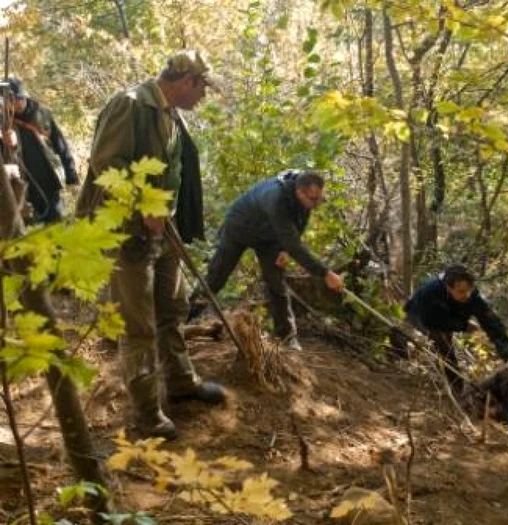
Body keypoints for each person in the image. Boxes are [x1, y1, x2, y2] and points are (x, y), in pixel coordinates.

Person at [76, 50, 225, 441]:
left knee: (172, 308)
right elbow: (106, 164)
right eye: (202, 87)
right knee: (138, 323)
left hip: (162, 230)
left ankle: (180, 382)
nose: (203, 96)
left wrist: (166, 212)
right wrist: (144, 203)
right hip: (127, 232)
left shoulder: (170, 115)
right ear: (185, 80)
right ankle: (146, 411)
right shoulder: (130, 105)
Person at [188, 169, 344, 351]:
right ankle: (182, 317)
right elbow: (294, 243)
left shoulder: (306, 196)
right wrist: (325, 273)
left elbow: (298, 224)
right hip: (239, 228)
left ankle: (287, 338)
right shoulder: (276, 198)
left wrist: (284, 249)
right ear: (299, 192)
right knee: (215, 278)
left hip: (270, 238)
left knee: (276, 283)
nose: (317, 203)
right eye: (313, 199)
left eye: (320, 198)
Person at [402, 264, 508, 396]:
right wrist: (463, 326)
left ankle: (456, 387)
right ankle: (456, 388)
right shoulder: (429, 293)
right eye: (461, 291)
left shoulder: (472, 296)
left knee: (446, 341)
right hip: (418, 313)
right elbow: (433, 322)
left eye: (470, 289)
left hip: (447, 314)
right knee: (443, 344)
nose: (467, 295)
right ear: (448, 287)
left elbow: (492, 324)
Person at [5, 77, 80, 223]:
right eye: (13, 99)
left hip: (50, 179)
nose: (18, 103)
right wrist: (7, 141)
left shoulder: (42, 113)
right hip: (23, 185)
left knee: (56, 223)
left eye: (20, 98)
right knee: (31, 230)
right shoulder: (3, 122)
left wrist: (71, 174)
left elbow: (60, 144)